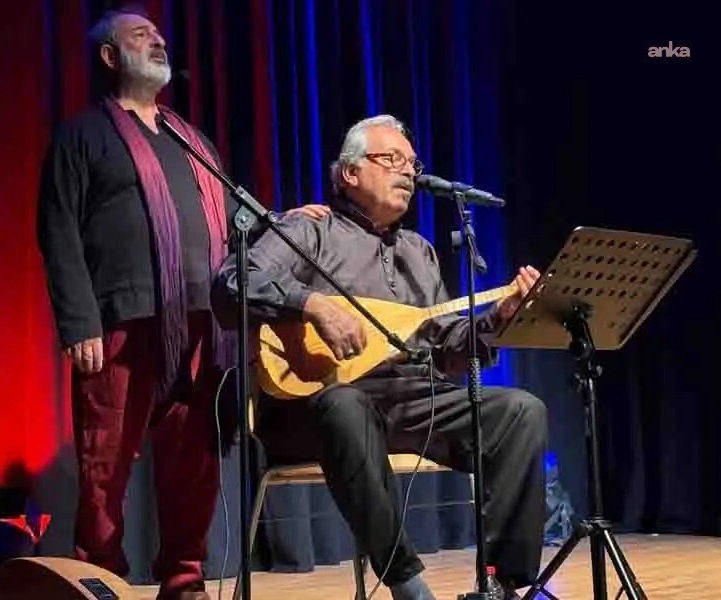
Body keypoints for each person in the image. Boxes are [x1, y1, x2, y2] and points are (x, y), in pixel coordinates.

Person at [37, 8, 327, 599]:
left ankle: (184, 580)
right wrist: (78, 320)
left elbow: (232, 226)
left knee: (193, 463)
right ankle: (102, 578)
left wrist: (285, 222)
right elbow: (57, 229)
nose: (159, 41)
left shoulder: (189, 139)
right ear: (110, 57)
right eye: (141, 35)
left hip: (203, 322)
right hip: (123, 319)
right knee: (104, 463)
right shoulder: (82, 135)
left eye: (159, 34)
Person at [212, 115, 547, 599]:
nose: (407, 173)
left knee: (520, 412)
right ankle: (406, 582)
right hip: (316, 406)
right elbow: (232, 281)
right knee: (345, 406)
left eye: (412, 164)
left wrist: (498, 320)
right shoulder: (309, 231)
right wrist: (312, 303)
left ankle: (502, 584)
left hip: (409, 396)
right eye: (391, 160)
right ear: (350, 173)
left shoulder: (419, 252)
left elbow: (447, 347)